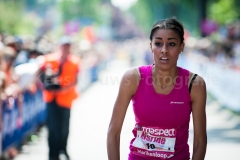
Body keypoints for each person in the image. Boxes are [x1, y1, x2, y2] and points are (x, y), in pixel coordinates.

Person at [107, 17, 207, 160]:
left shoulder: (195, 84)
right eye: (158, 43)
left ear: (181, 47)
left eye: (171, 44)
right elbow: (113, 133)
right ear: (151, 46)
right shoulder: (132, 78)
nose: (164, 50)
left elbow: (200, 141)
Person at [37, 36, 81, 160]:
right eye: (64, 45)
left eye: (68, 46)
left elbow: (75, 80)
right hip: (51, 99)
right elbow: (40, 75)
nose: (66, 48)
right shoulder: (48, 60)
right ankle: (52, 154)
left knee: (64, 128)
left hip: (66, 99)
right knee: (52, 128)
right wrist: (44, 84)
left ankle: (63, 149)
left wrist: (64, 88)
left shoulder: (75, 61)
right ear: (60, 46)